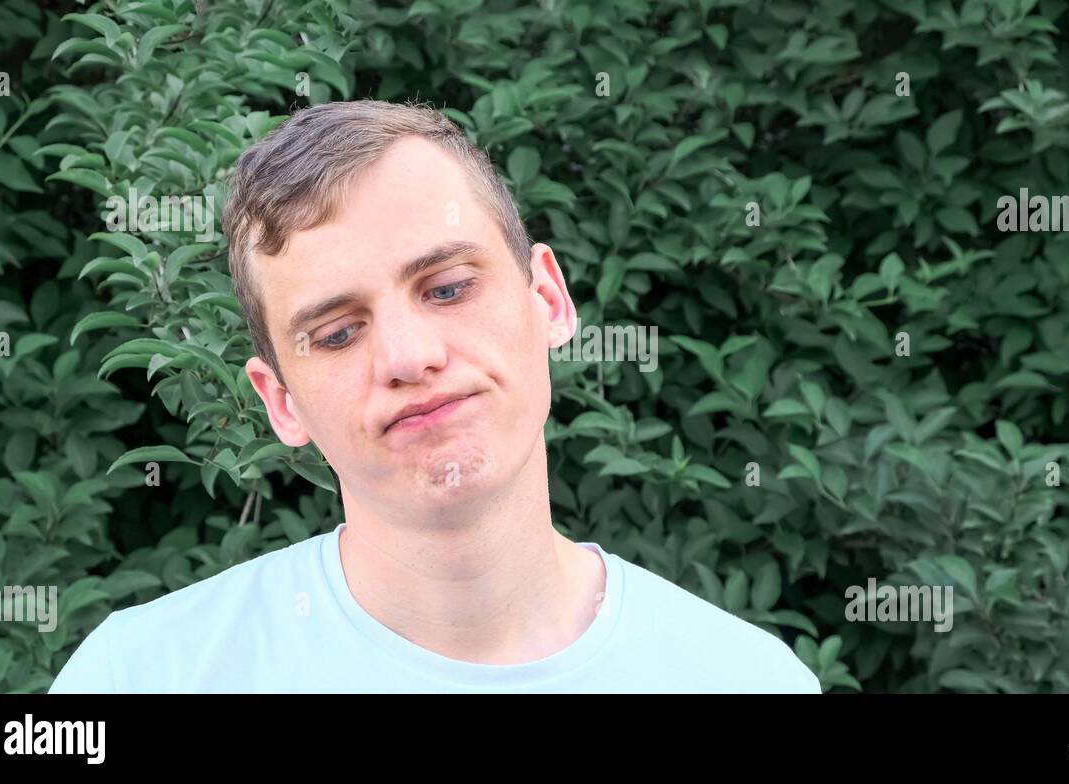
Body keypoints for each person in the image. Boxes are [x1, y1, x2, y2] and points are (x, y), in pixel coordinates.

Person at [49, 100, 821, 693]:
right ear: (280, 400)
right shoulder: (145, 678)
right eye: (339, 333)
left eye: (447, 288)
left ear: (547, 298)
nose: (410, 357)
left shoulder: (745, 680)